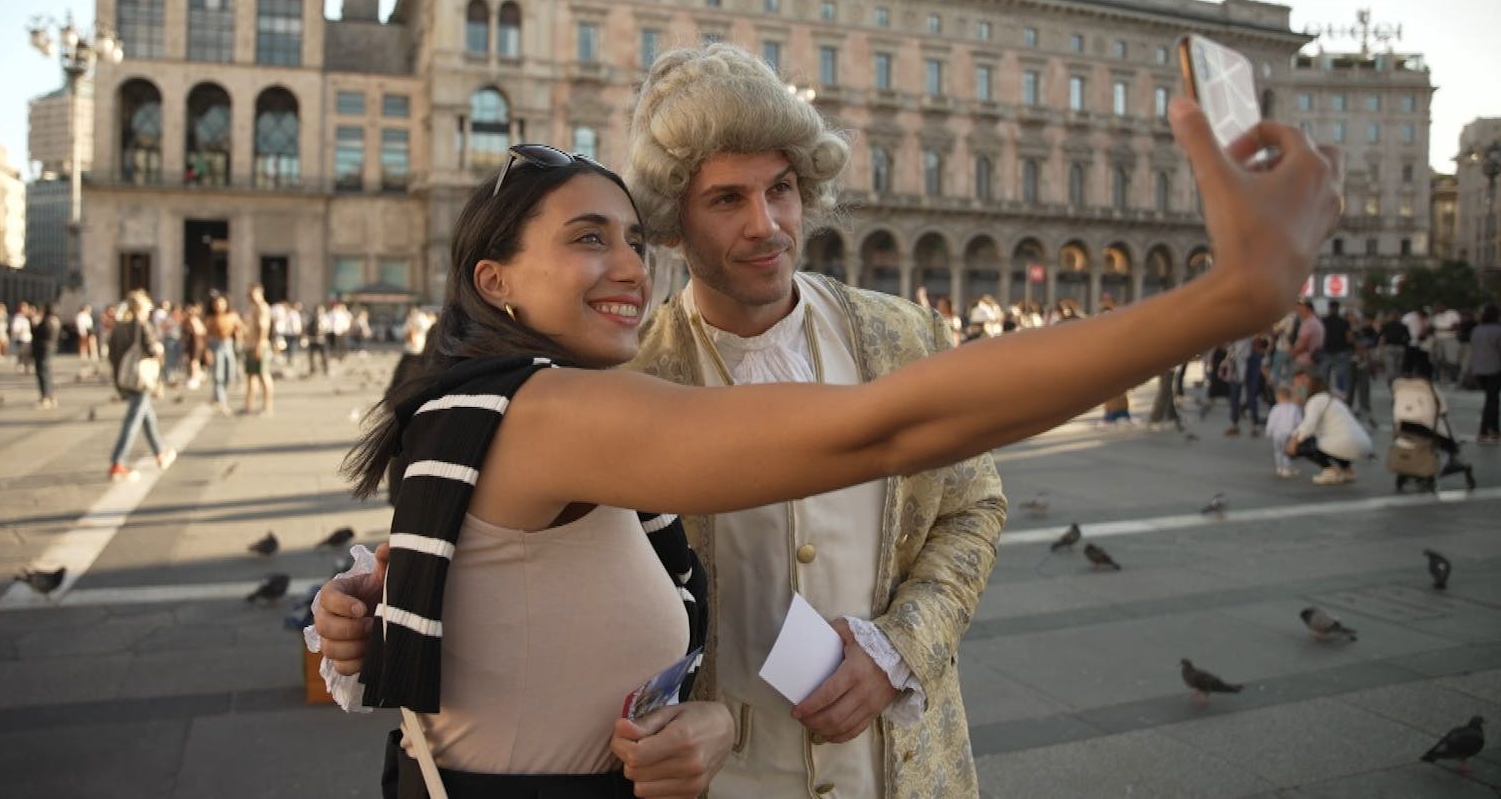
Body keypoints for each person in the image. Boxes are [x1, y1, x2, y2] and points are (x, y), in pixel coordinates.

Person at [313, 43, 1342, 798]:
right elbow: (882, 432)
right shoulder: (623, 376)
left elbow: (969, 509)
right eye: (726, 201)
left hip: (895, 766)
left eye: (783, 188)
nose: (765, 223)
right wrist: (1229, 296)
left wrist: (900, 645)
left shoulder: (894, 329)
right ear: (681, 220)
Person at [106, 290, 176, 480]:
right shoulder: (141, 325)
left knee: (147, 416)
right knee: (133, 421)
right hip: (140, 379)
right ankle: (118, 462)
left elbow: (112, 354)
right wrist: (159, 350)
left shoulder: (119, 327)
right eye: (147, 307)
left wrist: (118, 382)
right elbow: (152, 350)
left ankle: (160, 453)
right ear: (141, 308)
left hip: (125, 377)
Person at [1285, 368, 1372, 485]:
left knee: (1305, 443)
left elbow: (1308, 426)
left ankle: (1330, 471)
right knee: (1333, 439)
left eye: (1298, 384)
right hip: (1362, 444)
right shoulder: (1330, 398)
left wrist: (1294, 441)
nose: (1296, 388)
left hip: (1344, 444)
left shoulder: (1316, 400)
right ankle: (1347, 470)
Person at [204, 293, 241, 414]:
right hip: (215, 345)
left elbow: (240, 328)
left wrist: (239, 338)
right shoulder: (211, 318)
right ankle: (222, 401)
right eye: (216, 303)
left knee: (230, 374)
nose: (219, 305)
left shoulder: (232, 316)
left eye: (221, 303)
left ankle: (217, 396)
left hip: (228, 344)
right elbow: (206, 336)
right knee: (218, 375)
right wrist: (207, 351)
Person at [1469, 304, 1501, 443]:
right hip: (1494, 368)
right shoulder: (1498, 330)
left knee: (1492, 399)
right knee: (1491, 401)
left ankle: (1495, 430)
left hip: (1478, 369)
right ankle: (1483, 430)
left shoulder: (1476, 330)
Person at [241, 284, 275, 416]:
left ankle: (267, 406)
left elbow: (264, 328)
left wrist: (260, 345)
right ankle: (248, 405)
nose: (251, 296)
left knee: (264, 375)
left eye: (254, 293)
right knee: (251, 376)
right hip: (251, 345)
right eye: (250, 294)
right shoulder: (253, 307)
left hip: (259, 345)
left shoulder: (262, 307)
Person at [1267, 384, 1303, 478]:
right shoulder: (1295, 408)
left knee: (1278, 451)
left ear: (1278, 397)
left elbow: (1272, 421)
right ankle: (1286, 468)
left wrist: (1269, 431)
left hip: (1277, 434)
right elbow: (1299, 421)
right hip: (1289, 433)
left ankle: (1279, 467)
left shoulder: (1275, 408)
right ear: (1290, 396)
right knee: (1286, 451)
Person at [32, 302, 61, 409]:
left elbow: (37, 333)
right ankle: (48, 395)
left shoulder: (47, 321)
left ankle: (46, 396)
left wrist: (33, 322)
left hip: (42, 350)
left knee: (43, 372)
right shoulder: (54, 320)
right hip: (48, 349)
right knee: (46, 372)